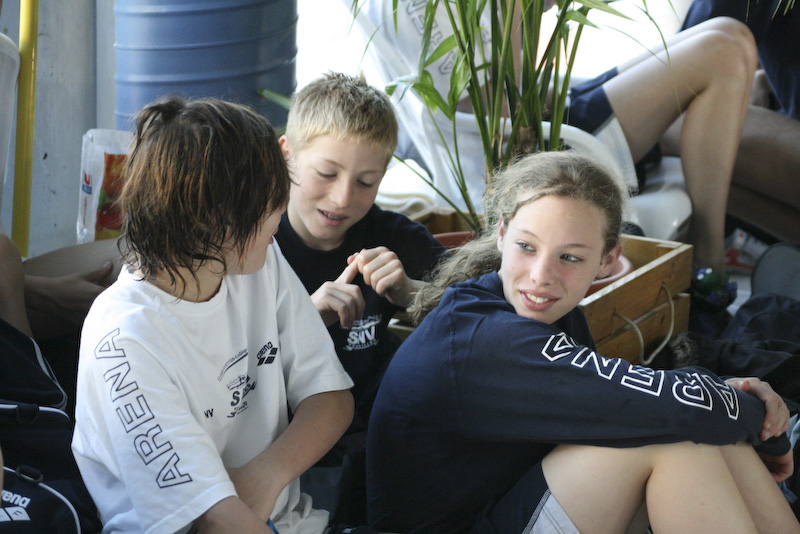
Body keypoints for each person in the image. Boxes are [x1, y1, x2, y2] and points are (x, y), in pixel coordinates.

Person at [366, 151, 799, 533]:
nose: (542, 275)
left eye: (570, 257)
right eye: (526, 246)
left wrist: (737, 406)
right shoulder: (484, 337)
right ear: (501, 234)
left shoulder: (550, 312)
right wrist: (766, 426)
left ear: (608, 260)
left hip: (506, 503)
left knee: (689, 427)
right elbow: (670, 409)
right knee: (676, 439)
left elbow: (640, 401)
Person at [71, 96, 355, 534]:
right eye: (272, 201)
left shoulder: (254, 260)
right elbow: (217, 521)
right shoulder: (125, 338)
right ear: (219, 227)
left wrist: (268, 473)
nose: (282, 211)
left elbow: (331, 397)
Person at [364, 1, 757, 278]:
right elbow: (503, 113)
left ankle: (714, 239)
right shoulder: (417, 7)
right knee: (723, 51)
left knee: (728, 34)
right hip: (530, 151)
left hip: (551, 108)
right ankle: (709, 252)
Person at [276, 72, 445, 423]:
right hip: (282, 432)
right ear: (286, 155)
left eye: (366, 182)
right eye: (326, 173)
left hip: (379, 423)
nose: (343, 198)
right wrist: (305, 321)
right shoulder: (251, 245)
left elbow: (483, 307)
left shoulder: (393, 237)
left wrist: (411, 293)